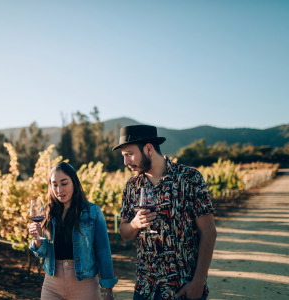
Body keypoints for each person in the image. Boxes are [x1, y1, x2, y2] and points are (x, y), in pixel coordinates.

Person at [113, 125, 217, 300]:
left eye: (129, 154)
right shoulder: (131, 186)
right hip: (146, 288)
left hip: (182, 287)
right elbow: (124, 233)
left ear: (148, 149)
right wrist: (134, 224)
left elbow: (209, 232)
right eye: (124, 156)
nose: (126, 162)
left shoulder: (189, 178)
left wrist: (198, 282)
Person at [29, 161, 118, 300]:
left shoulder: (92, 212)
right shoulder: (45, 212)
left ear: (74, 183)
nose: (59, 190)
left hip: (85, 285)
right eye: (55, 185)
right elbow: (41, 254)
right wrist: (37, 237)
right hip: (52, 284)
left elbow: (103, 251)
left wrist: (108, 289)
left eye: (64, 184)